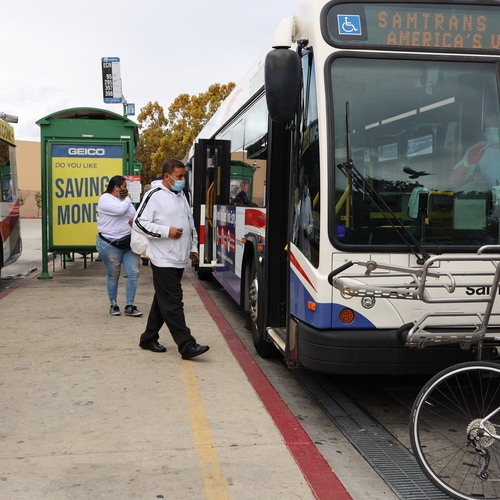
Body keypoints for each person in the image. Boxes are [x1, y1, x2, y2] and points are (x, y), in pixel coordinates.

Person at [133, 158, 209, 359]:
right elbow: (139, 223)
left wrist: (193, 247)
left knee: (163, 300)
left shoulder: (182, 195)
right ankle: (186, 345)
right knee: (174, 302)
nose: (183, 180)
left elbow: (189, 223)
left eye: (184, 176)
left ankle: (148, 338)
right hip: (163, 258)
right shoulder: (154, 195)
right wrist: (166, 231)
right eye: (179, 176)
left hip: (179, 258)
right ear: (167, 177)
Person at [96, 175, 143, 317]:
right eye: (124, 187)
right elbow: (119, 210)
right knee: (113, 275)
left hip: (128, 243)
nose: (126, 190)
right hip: (110, 244)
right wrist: (128, 198)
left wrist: (133, 221)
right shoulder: (105, 199)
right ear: (116, 187)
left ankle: (129, 305)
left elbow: (133, 215)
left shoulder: (124, 201)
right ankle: (113, 304)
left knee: (133, 272)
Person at [450, 114, 500, 189]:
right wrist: (468, 163)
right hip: (492, 196)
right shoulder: (479, 149)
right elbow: (454, 182)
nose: (491, 130)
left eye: (495, 125)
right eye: (487, 127)